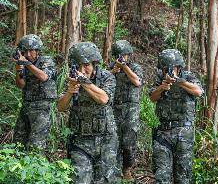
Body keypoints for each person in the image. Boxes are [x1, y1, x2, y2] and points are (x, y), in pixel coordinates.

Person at [57, 42, 119, 183]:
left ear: (94, 63)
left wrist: (83, 82)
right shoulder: (72, 80)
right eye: (78, 66)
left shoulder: (107, 77)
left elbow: (103, 98)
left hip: (106, 140)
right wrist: (70, 92)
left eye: (86, 65)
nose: (82, 70)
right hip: (80, 141)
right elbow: (60, 107)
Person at [149, 49, 203, 184]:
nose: (166, 70)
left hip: (184, 132)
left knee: (183, 177)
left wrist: (179, 81)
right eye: (163, 68)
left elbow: (198, 92)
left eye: (170, 67)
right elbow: (152, 97)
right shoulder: (159, 78)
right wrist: (162, 87)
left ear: (179, 67)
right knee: (161, 176)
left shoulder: (189, 77)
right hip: (163, 132)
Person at [13, 34, 57, 149]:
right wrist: (19, 69)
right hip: (27, 105)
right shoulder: (24, 62)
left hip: (42, 107)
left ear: (38, 50)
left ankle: (36, 166)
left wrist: (27, 64)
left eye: (31, 51)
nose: (28, 55)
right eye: (25, 51)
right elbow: (20, 85)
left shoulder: (46, 61)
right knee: (18, 142)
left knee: (36, 145)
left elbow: (44, 77)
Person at [110, 40, 143, 181]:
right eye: (119, 55)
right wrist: (113, 71)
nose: (123, 57)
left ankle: (127, 168)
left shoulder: (135, 68)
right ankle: (116, 170)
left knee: (129, 143)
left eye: (124, 55)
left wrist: (124, 68)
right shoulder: (111, 68)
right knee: (114, 140)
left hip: (131, 109)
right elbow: (102, 83)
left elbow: (137, 82)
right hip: (114, 108)